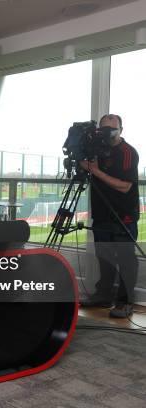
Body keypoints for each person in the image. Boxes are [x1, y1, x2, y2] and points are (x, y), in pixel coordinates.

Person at [79, 114, 139, 318]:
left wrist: (95, 171)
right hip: (102, 214)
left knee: (125, 259)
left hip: (124, 215)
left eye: (112, 128)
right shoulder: (97, 150)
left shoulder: (127, 152)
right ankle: (103, 296)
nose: (107, 132)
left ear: (121, 130)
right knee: (104, 258)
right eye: (103, 128)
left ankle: (125, 302)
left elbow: (125, 187)